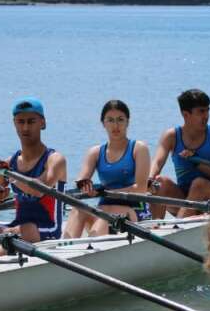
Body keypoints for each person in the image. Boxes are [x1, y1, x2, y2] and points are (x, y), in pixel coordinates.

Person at [0, 97, 68, 259]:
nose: (25, 127)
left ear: (42, 123)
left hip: (47, 230)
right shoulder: (9, 164)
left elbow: (38, 191)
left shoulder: (55, 159)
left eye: (31, 121)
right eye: (20, 122)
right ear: (14, 124)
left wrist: (9, 175)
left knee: (18, 233)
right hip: (18, 228)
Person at [64, 99, 152, 238]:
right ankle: (65, 252)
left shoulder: (139, 148)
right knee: (78, 209)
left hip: (135, 209)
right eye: (110, 120)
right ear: (103, 123)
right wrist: (85, 186)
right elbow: (82, 179)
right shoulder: (95, 152)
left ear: (127, 122)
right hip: (105, 209)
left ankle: (93, 246)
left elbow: (140, 188)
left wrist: (107, 191)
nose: (115, 125)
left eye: (120, 120)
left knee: (104, 213)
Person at [148, 88, 210, 219]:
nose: (206, 116)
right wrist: (149, 179)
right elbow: (157, 161)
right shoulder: (171, 136)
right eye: (201, 111)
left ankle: (177, 227)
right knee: (159, 182)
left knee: (199, 184)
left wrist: (198, 163)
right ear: (186, 115)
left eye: (208, 110)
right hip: (184, 198)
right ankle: (154, 229)